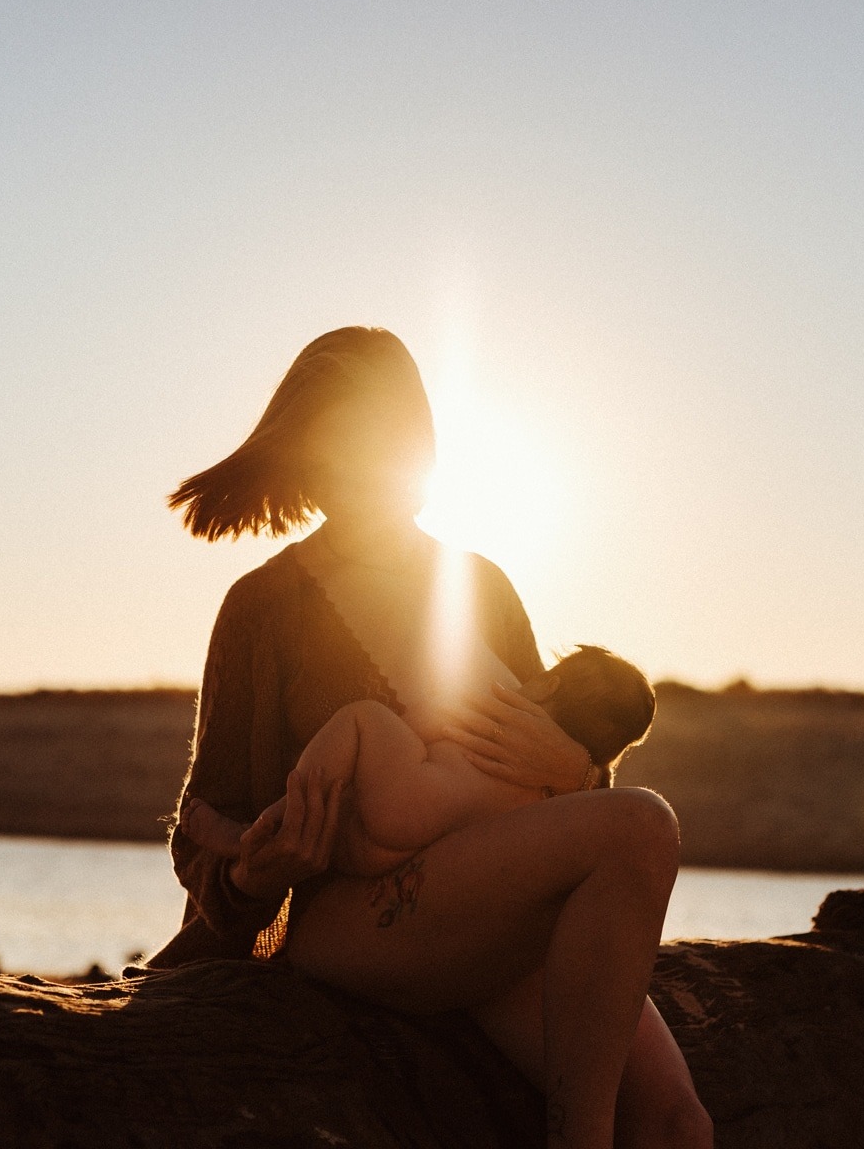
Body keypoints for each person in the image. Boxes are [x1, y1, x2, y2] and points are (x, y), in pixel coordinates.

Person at [150, 326, 713, 1149]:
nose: (365, 460)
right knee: (642, 824)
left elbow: (548, 774)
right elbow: (204, 827)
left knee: (676, 1123)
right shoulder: (266, 608)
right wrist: (251, 872)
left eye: (385, 434)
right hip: (349, 921)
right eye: (341, 438)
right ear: (307, 448)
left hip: (489, 912)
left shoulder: (482, 586)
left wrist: (580, 769)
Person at [180, 646, 655, 882]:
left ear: (548, 687)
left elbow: (426, 723)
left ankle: (262, 827)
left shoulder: (503, 706)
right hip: (422, 865)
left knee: (363, 721)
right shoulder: (552, 796)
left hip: (408, 804)